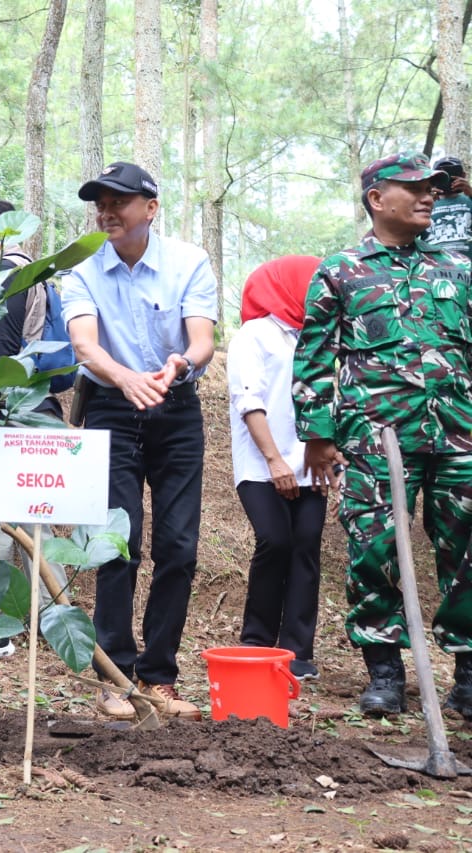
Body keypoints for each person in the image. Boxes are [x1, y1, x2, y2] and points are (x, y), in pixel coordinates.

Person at [293, 151, 472, 718]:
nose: (428, 196)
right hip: (376, 440)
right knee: (374, 549)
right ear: (377, 198)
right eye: (414, 188)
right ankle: (385, 670)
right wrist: (318, 434)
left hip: (458, 437)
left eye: (433, 188)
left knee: (467, 551)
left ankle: (468, 673)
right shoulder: (342, 270)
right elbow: (314, 357)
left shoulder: (458, 268)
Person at [60, 161, 217, 721]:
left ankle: (159, 677)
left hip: (176, 408)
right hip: (111, 408)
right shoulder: (81, 270)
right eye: (100, 203)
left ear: (150, 208)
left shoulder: (189, 262)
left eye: (119, 202)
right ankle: (114, 679)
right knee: (115, 544)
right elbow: (85, 345)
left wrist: (179, 365)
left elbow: (202, 341)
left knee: (179, 546)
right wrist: (126, 380)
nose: (107, 212)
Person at [0, 198, 72, 659]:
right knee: (35, 520)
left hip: (8, 411)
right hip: (36, 409)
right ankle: (58, 623)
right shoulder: (32, 273)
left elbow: (3, 347)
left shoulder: (7, 275)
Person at [229, 255, 327, 682]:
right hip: (261, 462)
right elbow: (249, 399)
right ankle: (257, 642)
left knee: (306, 548)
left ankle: (297, 651)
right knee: (275, 541)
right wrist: (274, 459)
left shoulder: (318, 335)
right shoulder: (255, 335)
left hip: (310, 463)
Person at [424, 155, 472, 256]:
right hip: (434, 263)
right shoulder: (425, 203)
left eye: (451, 174)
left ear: (463, 175)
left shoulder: (469, 200)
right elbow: (407, 235)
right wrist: (425, 197)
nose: (447, 179)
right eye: (442, 176)